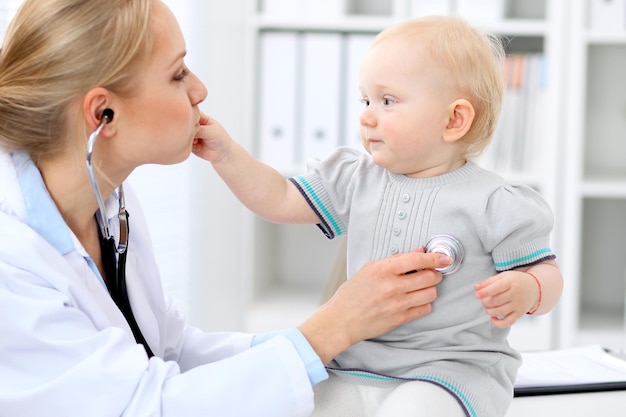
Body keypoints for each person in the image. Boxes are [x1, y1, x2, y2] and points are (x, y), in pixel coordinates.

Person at [0, 2, 455, 416]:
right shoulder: (12, 259)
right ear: (103, 114)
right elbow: (141, 406)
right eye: (178, 74)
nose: (199, 88)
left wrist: (327, 342)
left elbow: (170, 350)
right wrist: (331, 329)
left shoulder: (109, 202)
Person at [193, 15, 564, 417]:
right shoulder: (356, 178)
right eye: (365, 100)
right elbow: (280, 197)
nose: (367, 116)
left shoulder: (494, 201)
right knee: (295, 404)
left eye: (387, 101)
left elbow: (547, 272)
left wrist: (530, 291)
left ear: (454, 120)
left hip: (449, 371)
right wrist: (227, 155)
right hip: (354, 361)